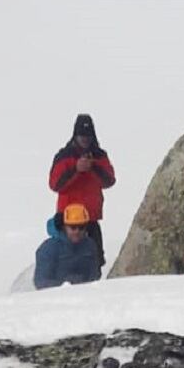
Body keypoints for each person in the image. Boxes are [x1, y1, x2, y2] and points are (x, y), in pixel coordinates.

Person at [48, 113, 115, 267]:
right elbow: (54, 184)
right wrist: (75, 169)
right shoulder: (64, 156)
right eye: (81, 135)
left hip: (90, 219)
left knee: (95, 261)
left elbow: (110, 180)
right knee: (67, 261)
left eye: (87, 136)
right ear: (75, 135)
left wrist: (94, 167)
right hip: (68, 220)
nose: (85, 139)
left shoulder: (99, 156)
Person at [34, 203, 102, 289]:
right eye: (73, 227)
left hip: (85, 296)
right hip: (56, 297)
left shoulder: (90, 246)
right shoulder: (49, 248)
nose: (77, 231)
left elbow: (94, 275)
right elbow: (41, 282)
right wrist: (66, 286)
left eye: (81, 227)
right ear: (64, 227)